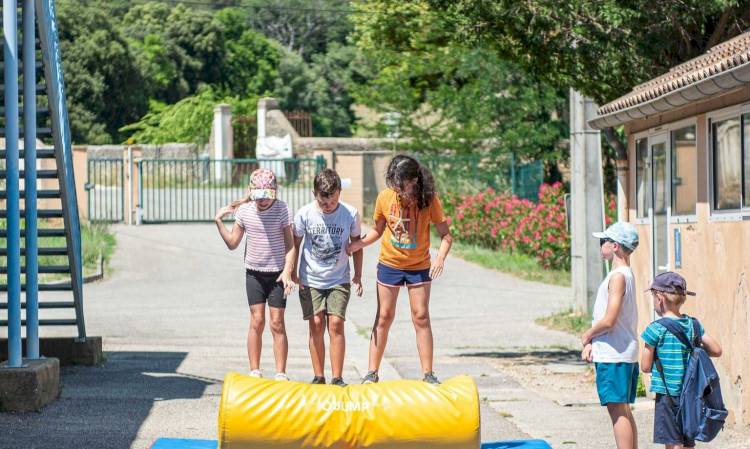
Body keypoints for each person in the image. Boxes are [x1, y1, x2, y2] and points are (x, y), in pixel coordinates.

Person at [347, 154, 452, 384]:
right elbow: (378, 230)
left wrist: (440, 258)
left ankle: (428, 374)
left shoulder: (429, 199)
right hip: (390, 264)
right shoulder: (385, 198)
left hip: (418, 267)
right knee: (384, 315)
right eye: (393, 183)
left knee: (421, 316)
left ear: (413, 180)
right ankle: (372, 373)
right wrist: (359, 244)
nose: (396, 188)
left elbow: (446, 236)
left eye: (400, 184)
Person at [214, 168, 296, 380]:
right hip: (254, 274)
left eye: (267, 197)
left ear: (274, 193)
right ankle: (255, 370)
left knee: (277, 322)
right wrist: (219, 222)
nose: (262, 202)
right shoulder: (245, 212)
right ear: (252, 193)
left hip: (278, 274)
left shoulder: (282, 210)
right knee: (256, 320)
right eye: (258, 197)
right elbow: (233, 243)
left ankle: (280, 372)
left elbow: (291, 246)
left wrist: (288, 271)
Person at [292, 168, 363, 387]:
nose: (328, 206)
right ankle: (319, 375)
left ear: (339, 193)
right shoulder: (305, 214)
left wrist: (358, 275)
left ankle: (337, 377)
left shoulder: (349, 214)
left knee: (335, 324)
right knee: (315, 324)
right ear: (315, 194)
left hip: (338, 278)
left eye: (332, 202)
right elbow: (295, 244)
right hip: (310, 277)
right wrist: (292, 272)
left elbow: (357, 245)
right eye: (323, 203)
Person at [641, 272, 723, 449]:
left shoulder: (655, 329)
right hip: (691, 393)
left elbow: (645, 367)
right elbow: (717, 350)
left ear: (659, 297)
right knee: (687, 441)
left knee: (672, 443)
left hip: (667, 394)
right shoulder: (693, 325)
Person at [581, 221, 640, 449]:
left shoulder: (618, 277)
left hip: (615, 353)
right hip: (622, 350)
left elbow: (609, 318)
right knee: (622, 408)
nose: (600, 246)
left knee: (617, 410)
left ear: (614, 246)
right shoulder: (625, 274)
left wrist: (587, 336)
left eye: (602, 242)